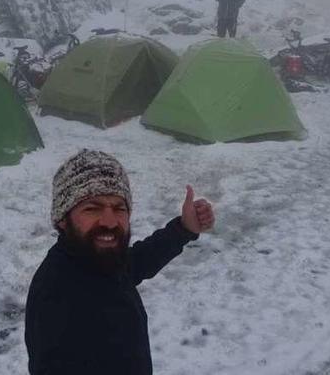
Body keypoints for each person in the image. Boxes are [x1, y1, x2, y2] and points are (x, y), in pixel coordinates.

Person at [25, 149, 215, 374]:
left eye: (119, 208)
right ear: (63, 220)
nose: (109, 221)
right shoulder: (58, 299)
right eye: (92, 208)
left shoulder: (92, 258)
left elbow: (135, 262)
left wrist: (183, 229)